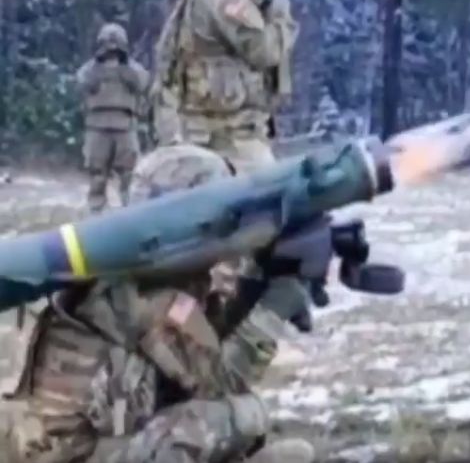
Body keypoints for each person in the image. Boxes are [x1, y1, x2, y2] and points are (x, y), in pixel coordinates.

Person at [0, 143, 316, 463]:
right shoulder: (140, 294)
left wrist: (256, 283)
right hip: (76, 454)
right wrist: (276, 306)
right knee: (241, 416)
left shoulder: (127, 267)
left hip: (82, 445)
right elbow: (221, 383)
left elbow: (205, 344)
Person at [151, 0, 297, 175]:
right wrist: (280, 14)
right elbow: (266, 52)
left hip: (212, 138)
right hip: (233, 144)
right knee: (272, 198)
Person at [75, 23, 149, 212]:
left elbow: (142, 82)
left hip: (125, 126)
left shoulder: (131, 69)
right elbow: (82, 82)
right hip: (97, 126)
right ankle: (96, 209)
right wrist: (100, 67)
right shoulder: (92, 69)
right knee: (97, 174)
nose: (111, 49)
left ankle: (129, 210)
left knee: (128, 174)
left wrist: (124, 68)